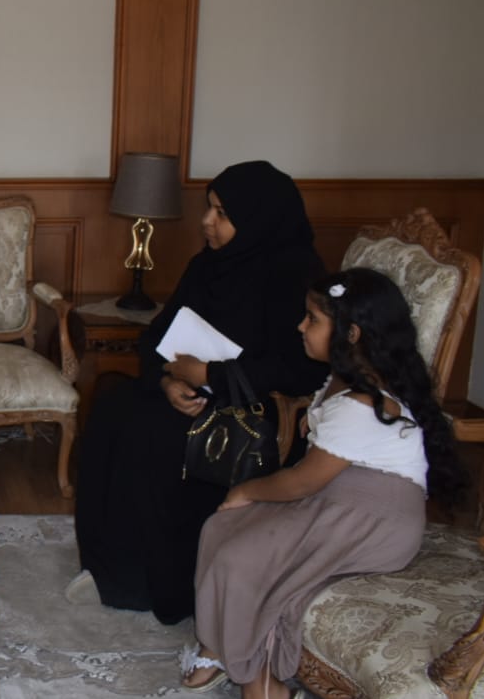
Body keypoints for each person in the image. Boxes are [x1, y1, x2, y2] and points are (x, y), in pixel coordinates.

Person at [182, 268, 467, 699]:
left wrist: (244, 490)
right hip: (339, 498)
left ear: (351, 334)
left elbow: (301, 482)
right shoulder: (341, 379)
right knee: (220, 527)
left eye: (312, 319)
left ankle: (260, 681)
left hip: (373, 519)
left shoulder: (363, 403)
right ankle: (216, 646)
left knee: (245, 557)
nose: (300, 326)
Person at [74, 160, 329, 625]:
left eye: (222, 214)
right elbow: (157, 335)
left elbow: (301, 367)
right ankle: (110, 568)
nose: (207, 222)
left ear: (257, 219)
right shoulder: (208, 265)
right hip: (192, 392)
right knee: (112, 404)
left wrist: (211, 373)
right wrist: (168, 380)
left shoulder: (293, 275)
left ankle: (160, 583)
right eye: (209, 208)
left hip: (253, 410)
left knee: (150, 432)